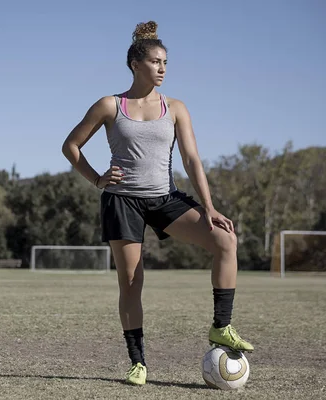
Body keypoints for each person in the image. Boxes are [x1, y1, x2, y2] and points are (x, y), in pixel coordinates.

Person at [61, 20, 254, 386]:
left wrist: (209, 207)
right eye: (155, 61)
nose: (162, 68)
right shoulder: (109, 105)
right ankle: (138, 363)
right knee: (131, 281)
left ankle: (221, 327)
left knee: (225, 241)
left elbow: (192, 160)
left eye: (165, 62)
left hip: (164, 198)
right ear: (136, 64)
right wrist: (98, 178)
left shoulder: (176, 108)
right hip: (122, 201)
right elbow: (70, 146)